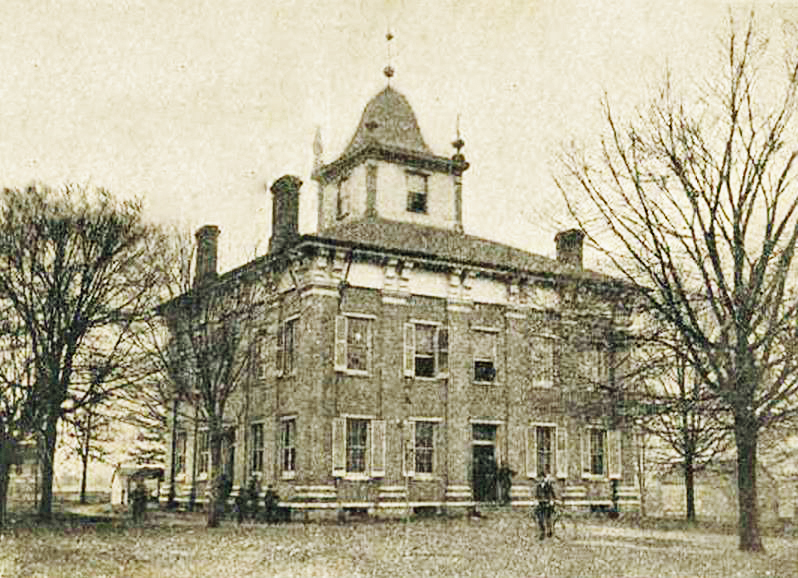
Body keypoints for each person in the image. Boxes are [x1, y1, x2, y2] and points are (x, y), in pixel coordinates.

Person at [535, 474, 556, 540]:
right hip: (540, 504)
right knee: (540, 519)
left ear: (544, 478)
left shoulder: (548, 486)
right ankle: (542, 532)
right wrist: (536, 500)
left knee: (548, 518)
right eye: (539, 478)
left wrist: (552, 501)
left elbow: (552, 494)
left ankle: (549, 531)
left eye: (542, 478)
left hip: (547, 504)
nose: (540, 479)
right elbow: (536, 495)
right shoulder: (538, 486)